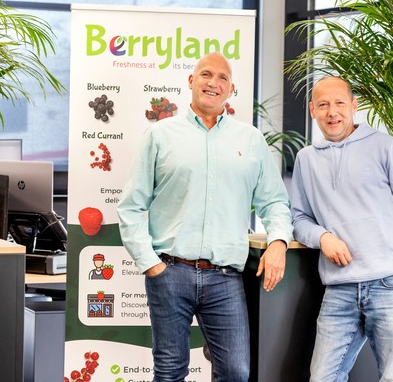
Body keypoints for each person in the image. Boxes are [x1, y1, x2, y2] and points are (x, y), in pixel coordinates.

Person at [117, 52, 293, 382]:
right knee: (169, 372)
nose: (214, 83)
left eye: (222, 77)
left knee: (236, 372)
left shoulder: (251, 140)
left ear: (231, 89)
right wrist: (150, 264)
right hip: (170, 272)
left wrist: (279, 242)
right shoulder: (160, 135)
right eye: (206, 74)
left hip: (225, 277)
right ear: (191, 81)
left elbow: (275, 202)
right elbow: (131, 206)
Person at [289, 76, 393, 382]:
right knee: (322, 378)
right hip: (339, 289)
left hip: (391, 285)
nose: (332, 112)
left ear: (354, 106)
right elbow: (299, 219)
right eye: (323, 105)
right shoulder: (306, 159)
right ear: (312, 110)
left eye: (340, 103)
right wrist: (323, 237)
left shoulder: (384, 146)